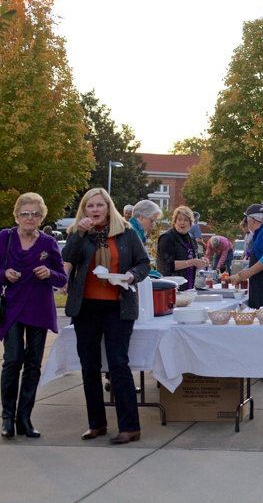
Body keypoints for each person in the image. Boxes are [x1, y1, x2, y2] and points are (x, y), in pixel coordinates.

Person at [62, 188, 151, 444]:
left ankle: (130, 427)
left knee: (118, 365)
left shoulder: (126, 233)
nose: (95, 210)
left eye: (100, 205)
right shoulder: (78, 234)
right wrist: (79, 233)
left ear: (108, 207)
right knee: (89, 367)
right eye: (90, 206)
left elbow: (143, 264)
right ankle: (96, 424)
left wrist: (131, 275)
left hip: (118, 307)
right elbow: (68, 259)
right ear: (84, 210)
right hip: (85, 308)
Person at [1, 193, 67, 438]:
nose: (30, 218)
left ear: (42, 217)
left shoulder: (48, 242)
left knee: (33, 365)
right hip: (13, 308)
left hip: (40, 308)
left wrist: (49, 273)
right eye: (25, 213)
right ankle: (7, 417)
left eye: (35, 214)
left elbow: (62, 277)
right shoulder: (5, 237)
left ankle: (24, 418)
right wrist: (4, 274)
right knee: (12, 360)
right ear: (16, 215)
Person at [156, 206, 208, 289]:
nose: (182, 223)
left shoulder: (191, 238)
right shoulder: (167, 237)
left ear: (190, 223)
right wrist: (192, 262)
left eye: (185, 220)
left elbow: (193, 258)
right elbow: (167, 265)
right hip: (171, 286)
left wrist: (201, 261)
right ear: (175, 221)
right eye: (179, 219)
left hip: (189, 284)